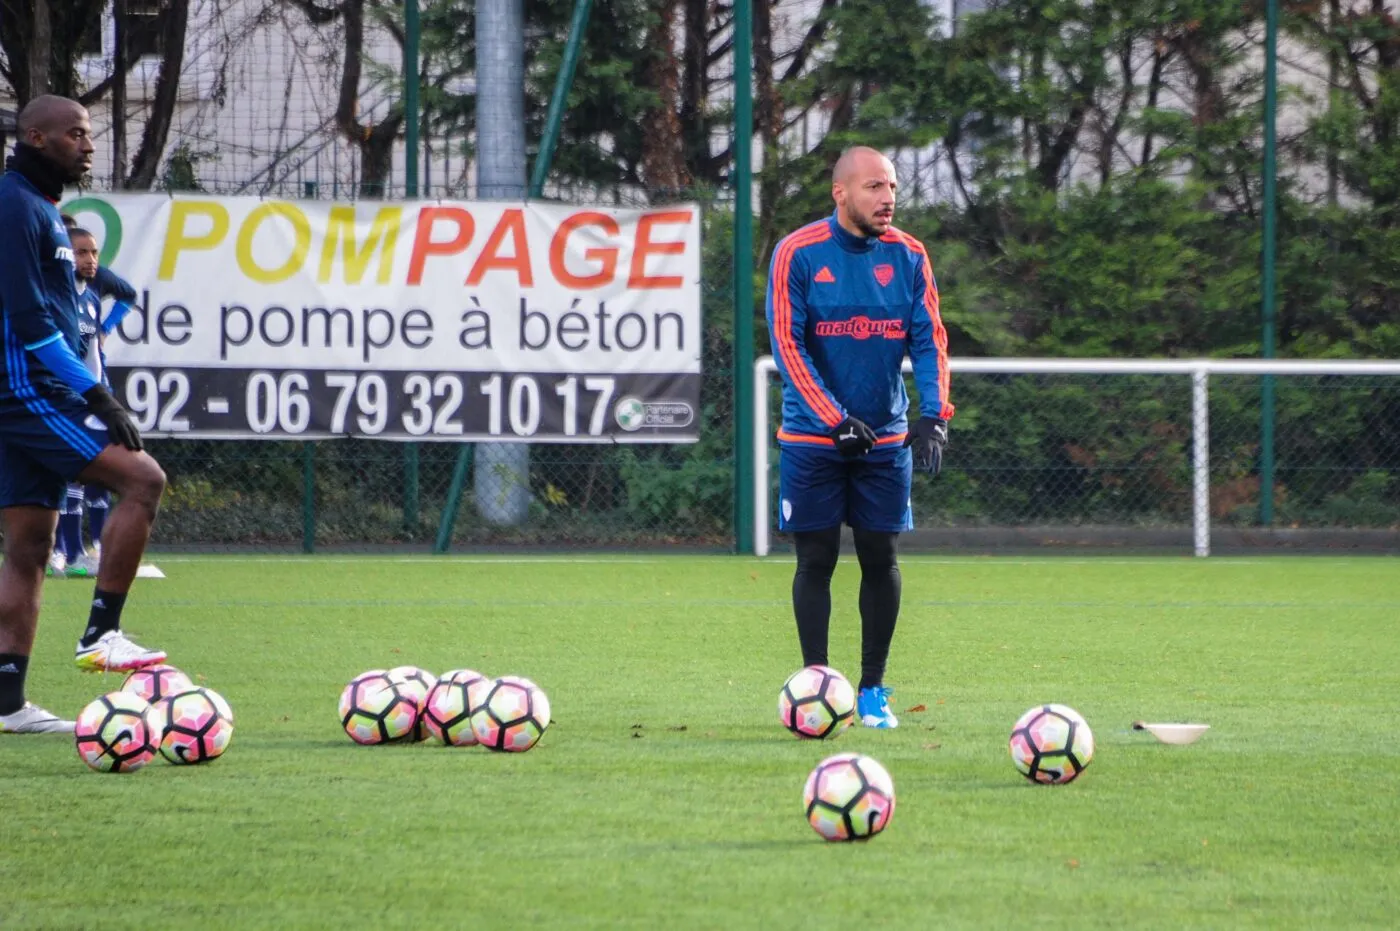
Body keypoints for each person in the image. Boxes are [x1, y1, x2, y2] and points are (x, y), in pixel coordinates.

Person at [765, 145, 953, 729]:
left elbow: (929, 340)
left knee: (881, 556)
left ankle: (873, 689)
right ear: (840, 192)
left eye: (892, 186)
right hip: (813, 439)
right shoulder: (797, 252)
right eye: (874, 186)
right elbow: (787, 344)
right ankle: (817, 686)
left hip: (884, 443)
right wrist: (832, 417)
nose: (888, 197)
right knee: (815, 558)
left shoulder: (910, 256)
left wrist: (934, 414)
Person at [0, 95, 168, 735]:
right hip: (28, 390)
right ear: (36, 137)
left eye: (90, 133)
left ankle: (8, 705)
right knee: (143, 479)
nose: (88, 144)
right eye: (76, 133)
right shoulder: (14, 204)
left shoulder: (45, 209)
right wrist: (95, 393)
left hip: (32, 389)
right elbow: (30, 319)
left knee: (29, 548)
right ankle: (102, 634)